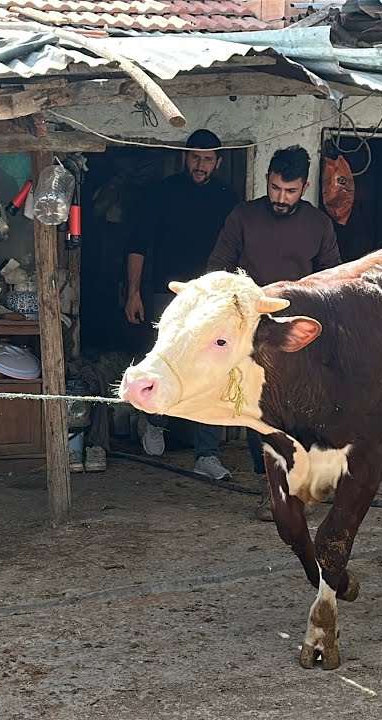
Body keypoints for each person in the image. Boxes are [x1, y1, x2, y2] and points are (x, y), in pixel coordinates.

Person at [207, 145, 342, 519]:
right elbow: (217, 267)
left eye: (290, 191)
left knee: (305, 410)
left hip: (302, 332)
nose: (281, 198)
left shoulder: (319, 224)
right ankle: (273, 489)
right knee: (260, 411)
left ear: (304, 187)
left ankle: (306, 484)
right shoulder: (243, 216)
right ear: (267, 179)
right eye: (275, 188)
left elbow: (332, 279)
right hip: (254, 331)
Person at [125, 129, 240, 480]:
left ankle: (207, 454)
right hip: (166, 295)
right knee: (162, 361)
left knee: (209, 369)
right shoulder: (161, 194)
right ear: (183, 158)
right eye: (194, 157)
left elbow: (238, 248)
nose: (200, 165)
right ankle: (153, 421)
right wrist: (134, 292)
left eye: (207, 159)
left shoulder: (228, 198)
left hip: (211, 298)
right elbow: (138, 245)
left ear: (218, 162)